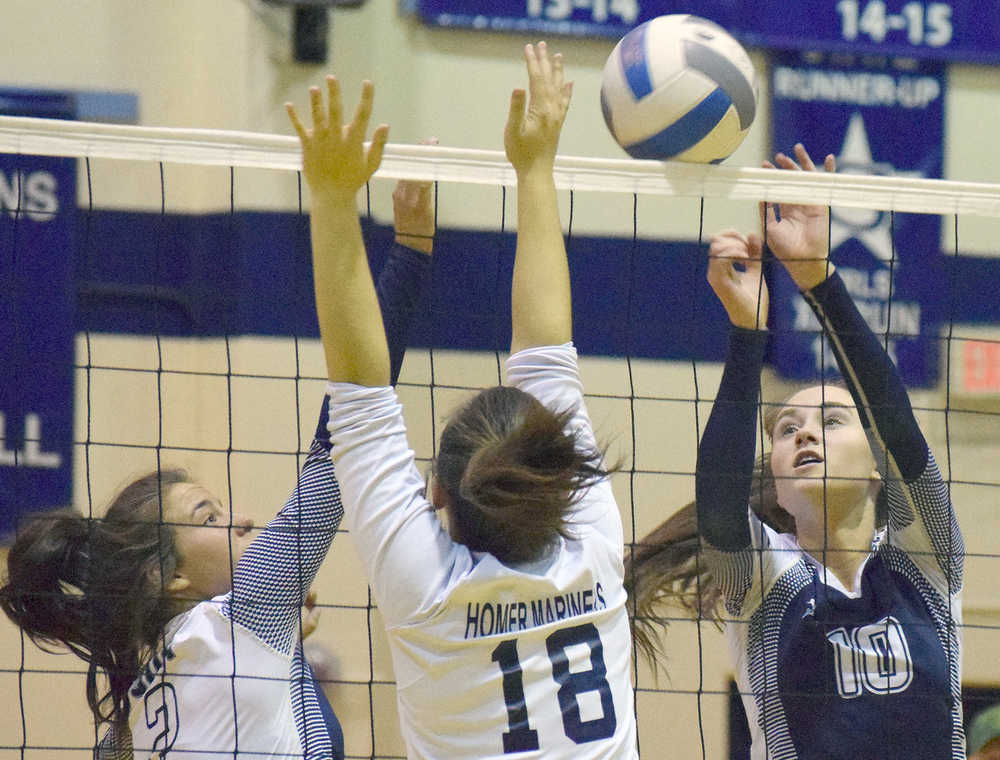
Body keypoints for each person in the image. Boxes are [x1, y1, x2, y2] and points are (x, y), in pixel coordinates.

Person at [0, 144, 437, 758]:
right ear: (169, 576)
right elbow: (346, 427)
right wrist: (412, 250)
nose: (243, 521)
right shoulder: (243, 615)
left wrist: (284, 650)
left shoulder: (126, 721)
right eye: (209, 516)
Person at [284, 43, 637, 759]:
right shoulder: (592, 548)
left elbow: (362, 392)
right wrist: (536, 167)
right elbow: (538, 353)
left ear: (435, 491)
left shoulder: (429, 588)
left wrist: (329, 198)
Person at [626, 144, 964, 759]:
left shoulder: (927, 560)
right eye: (786, 429)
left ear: (875, 469)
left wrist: (818, 281)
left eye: (831, 422)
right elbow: (720, 499)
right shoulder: (762, 579)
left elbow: (900, 427)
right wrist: (747, 332)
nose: (805, 434)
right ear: (776, 485)